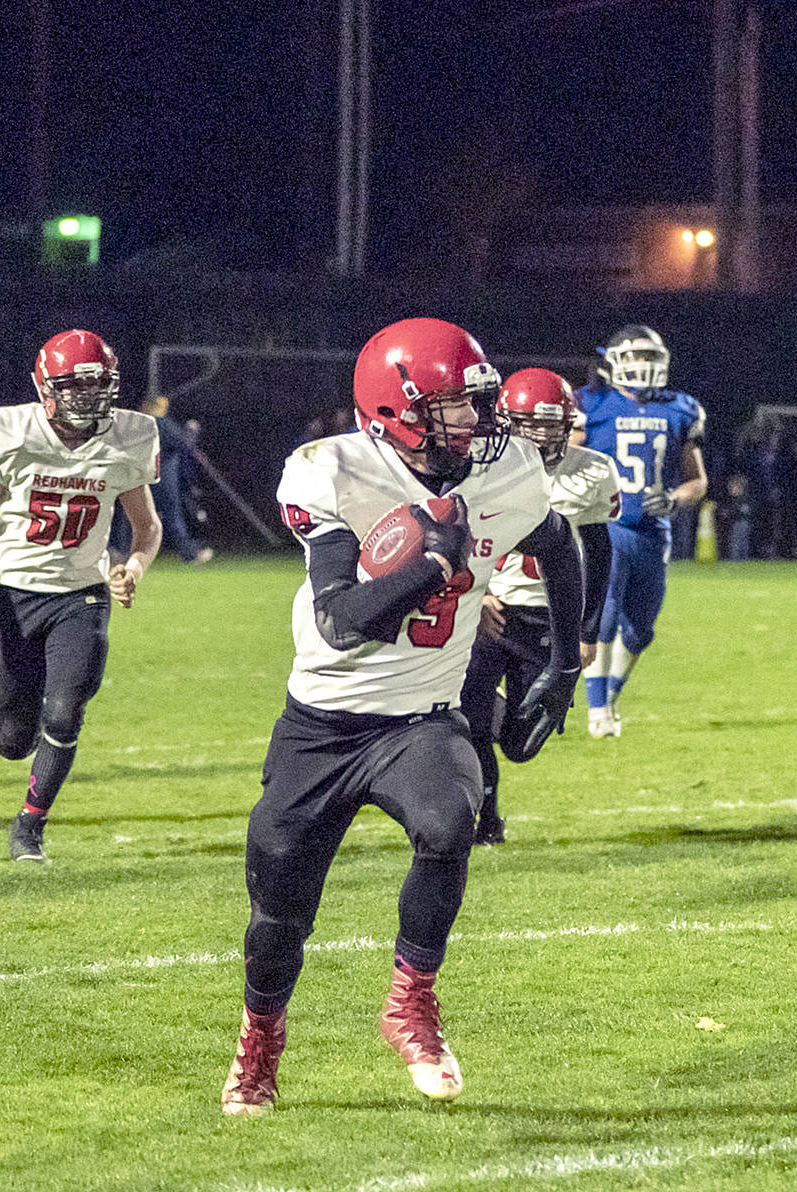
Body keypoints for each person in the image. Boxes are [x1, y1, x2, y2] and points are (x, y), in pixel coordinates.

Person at [219, 318, 583, 1117]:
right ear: (397, 410)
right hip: (322, 723)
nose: (478, 422)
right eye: (455, 407)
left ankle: (410, 1002)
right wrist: (432, 564)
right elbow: (343, 619)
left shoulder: (505, 469)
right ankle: (260, 1041)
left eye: (478, 403)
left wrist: (563, 659)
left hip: (421, 715)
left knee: (452, 817)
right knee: (278, 918)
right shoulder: (331, 471)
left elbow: (559, 544)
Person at [0, 330, 161, 863]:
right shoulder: (11, 433)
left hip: (81, 597)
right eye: (75, 386)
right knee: (14, 739)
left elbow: (147, 527)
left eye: (98, 385)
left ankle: (29, 827)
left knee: (64, 714)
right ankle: (26, 743)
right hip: (14, 598)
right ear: (46, 387)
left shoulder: (126, 439)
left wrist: (132, 567)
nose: (89, 397)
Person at [459, 368, 618, 845]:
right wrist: (476, 591)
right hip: (492, 610)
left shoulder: (591, 470)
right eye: (530, 423)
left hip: (550, 617)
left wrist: (588, 630)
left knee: (522, 743)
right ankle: (486, 823)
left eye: (551, 424)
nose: (541, 433)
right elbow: (461, 536)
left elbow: (599, 551)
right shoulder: (480, 464)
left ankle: (476, 709)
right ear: (506, 420)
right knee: (471, 721)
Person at [575, 325, 707, 738]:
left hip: (653, 532)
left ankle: (611, 694)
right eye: (634, 357)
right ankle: (597, 711)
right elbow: (563, 462)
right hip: (605, 526)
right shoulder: (590, 404)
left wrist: (675, 499)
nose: (643, 365)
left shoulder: (680, 408)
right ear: (613, 361)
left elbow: (697, 480)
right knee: (604, 618)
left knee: (640, 630)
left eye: (650, 357)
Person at [144, 394, 215, 565]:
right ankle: (191, 554)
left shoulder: (138, 425)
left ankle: (121, 552)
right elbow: (183, 443)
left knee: (136, 519)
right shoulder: (161, 423)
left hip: (143, 481)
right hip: (163, 483)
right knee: (172, 519)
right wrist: (191, 431)